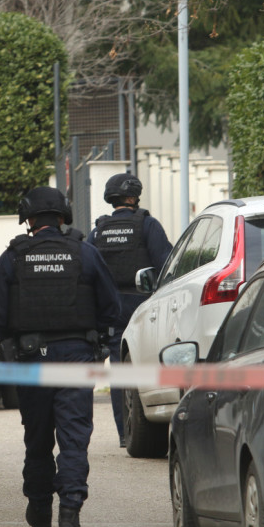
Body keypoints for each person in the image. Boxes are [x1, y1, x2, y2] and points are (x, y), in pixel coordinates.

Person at [0, 186, 121, 527]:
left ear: (28, 220)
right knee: (74, 441)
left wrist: (12, 343)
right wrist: (100, 344)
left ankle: (41, 518)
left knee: (39, 441)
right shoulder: (85, 254)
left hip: (31, 361)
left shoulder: (11, 258)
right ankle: (69, 519)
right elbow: (111, 307)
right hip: (77, 357)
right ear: (63, 218)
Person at [86, 172, 173, 448]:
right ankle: (154, 427)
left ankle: (126, 433)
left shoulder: (98, 231)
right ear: (134, 197)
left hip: (110, 311)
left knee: (119, 370)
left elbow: (86, 272)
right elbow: (167, 266)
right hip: (143, 308)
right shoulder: (148, 225)